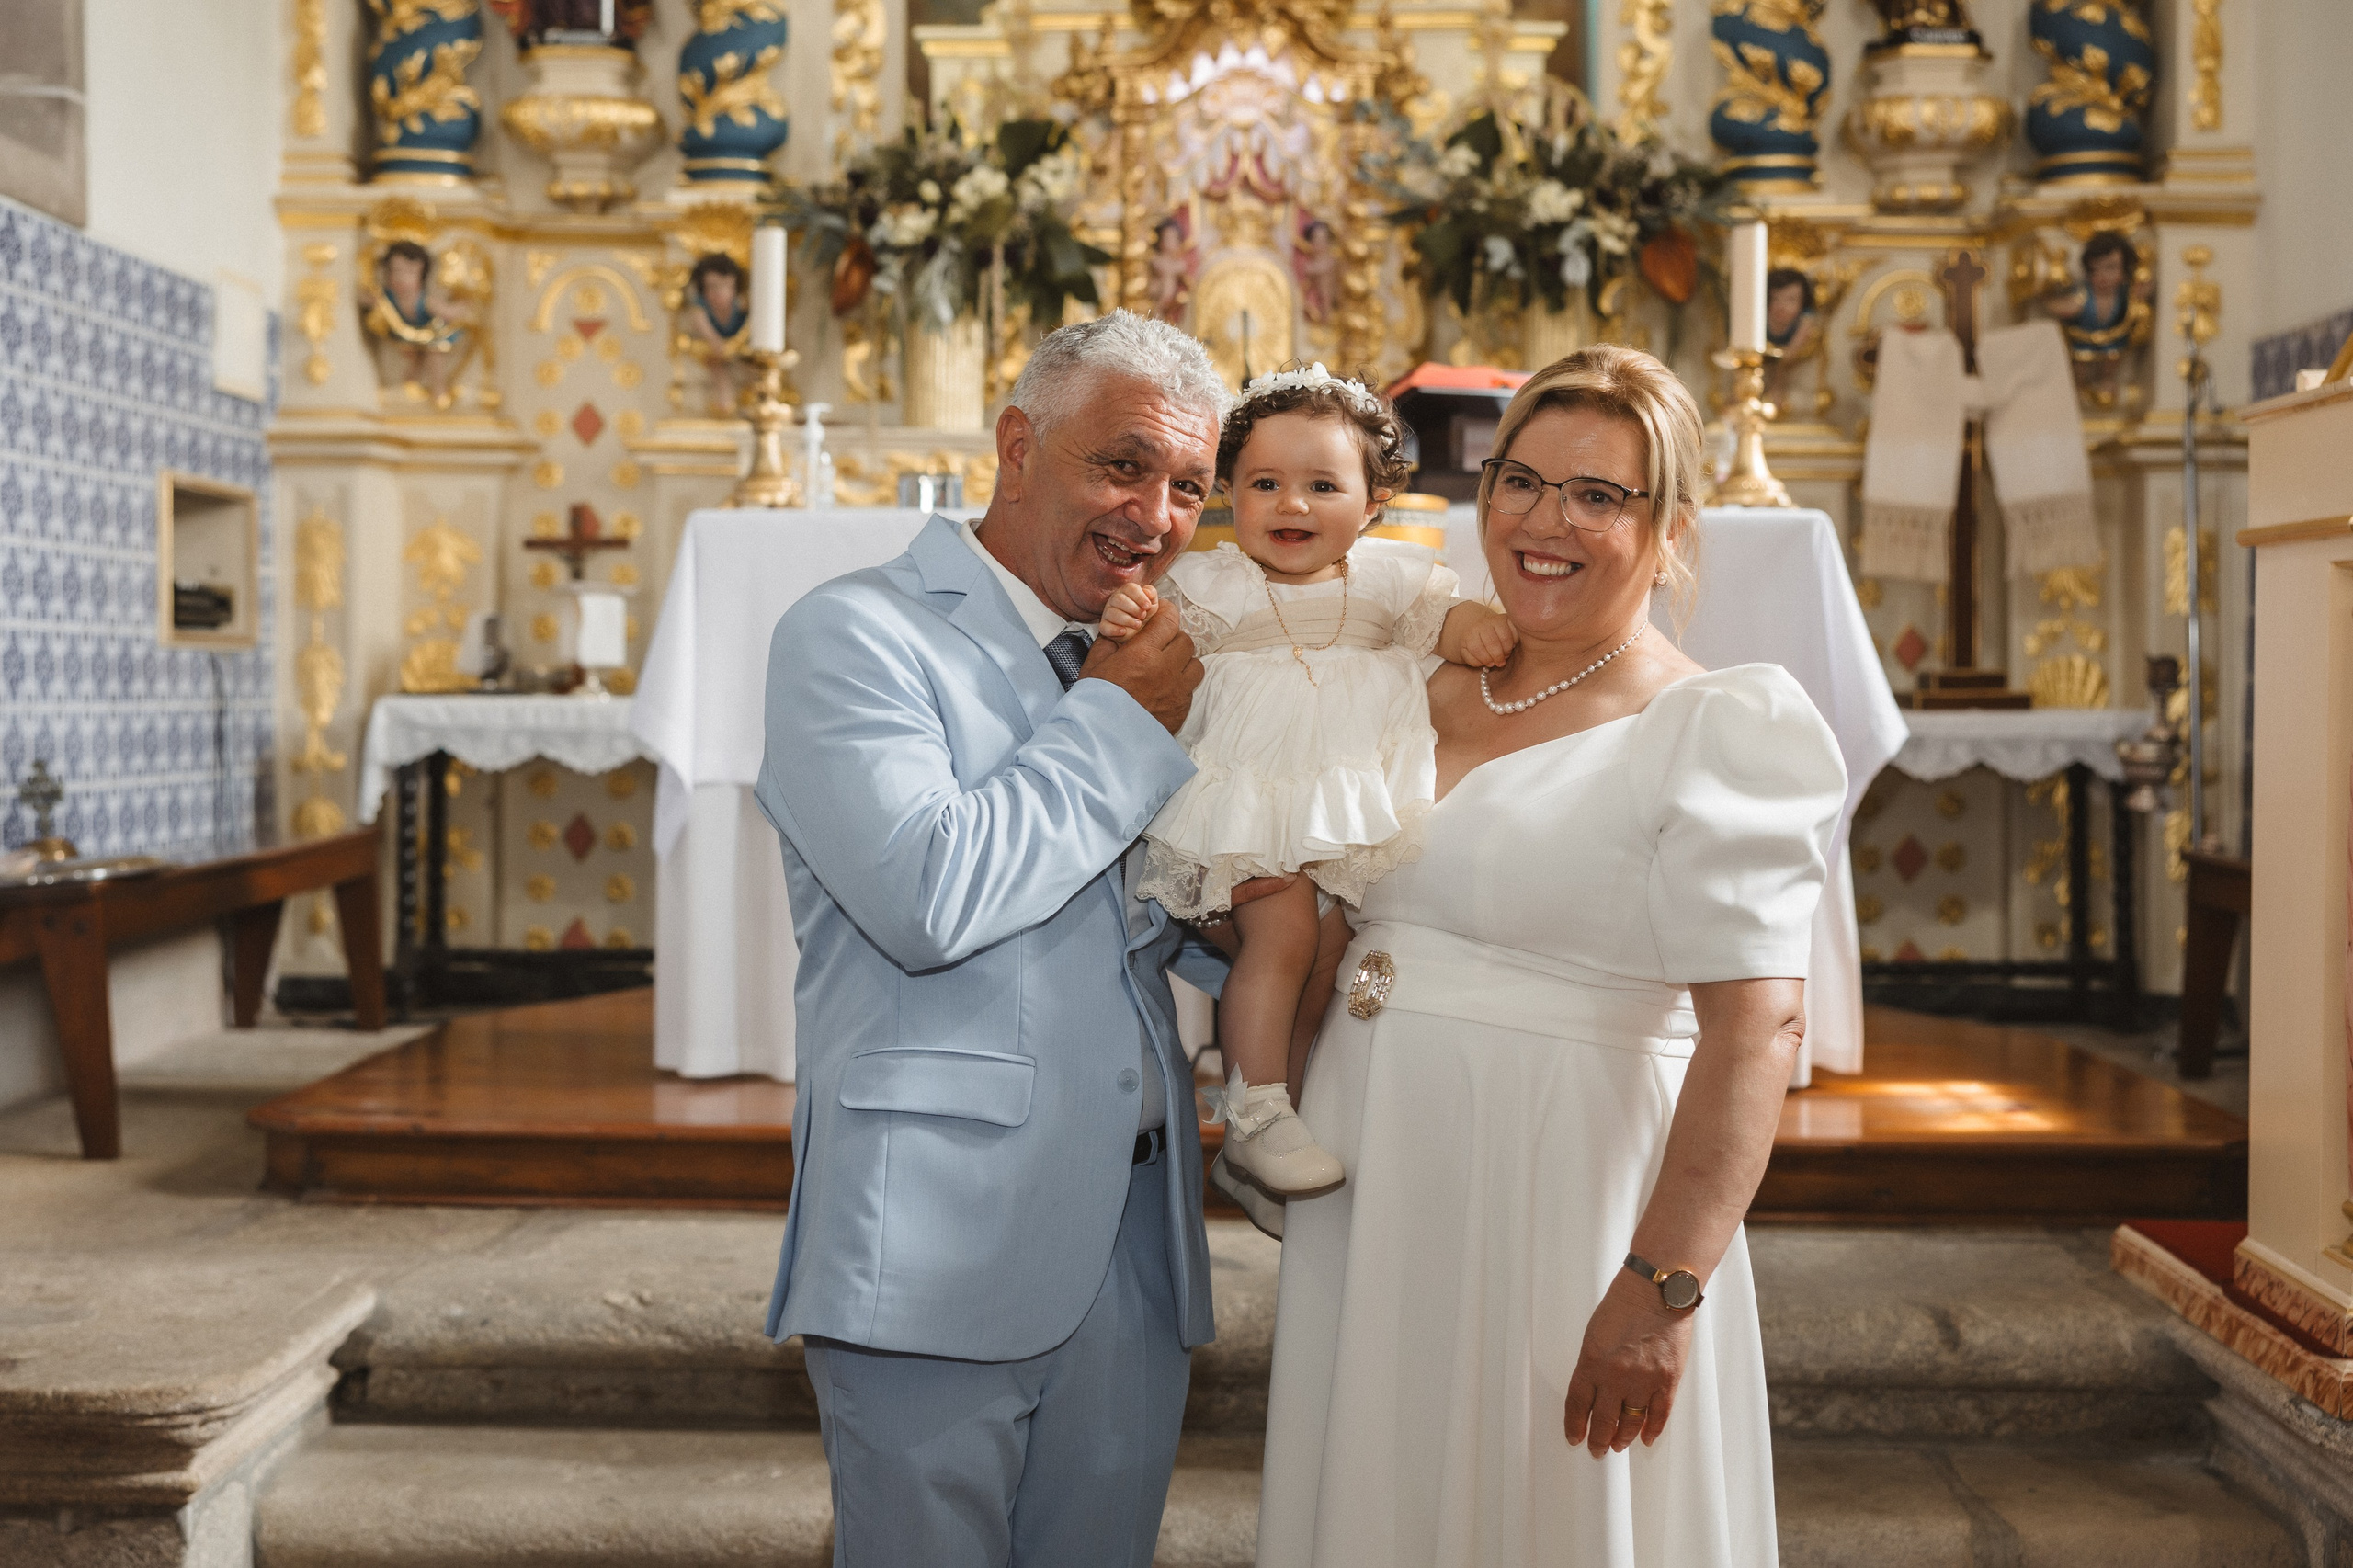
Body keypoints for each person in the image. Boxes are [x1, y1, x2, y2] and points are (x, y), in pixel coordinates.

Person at [1256, 344, 1846, 1567]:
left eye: (1598, 495)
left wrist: (1662, 1284)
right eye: (1521, 480)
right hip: (1380, 1165)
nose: (1545, 521)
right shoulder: (1411, 675)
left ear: (1673, 526)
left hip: (1567, 1184)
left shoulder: (1711, 724)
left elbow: (1758, 1027)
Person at [756, 311, 1251, 1567]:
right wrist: (1121, 723)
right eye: (1123, 464)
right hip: (936, 1231)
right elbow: (932, 895)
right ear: (1019, 445)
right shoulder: (858, 634)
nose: (1157, 513)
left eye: (1190, 485)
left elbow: (1162, 931)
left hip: (1133, 1242)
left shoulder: (1142, 660)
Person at [1100, 365, 1515, 1207]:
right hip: (1249, 803)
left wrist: (1484, 632)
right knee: (1283, 937)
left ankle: (1271, 1127)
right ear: (1229, 494)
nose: (1291, 505)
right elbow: (1152, 633)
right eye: (1265, 484)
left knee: (1328, 958)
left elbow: (1449, 622)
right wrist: (1131, 617)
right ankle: (1252, 1113)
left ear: (1372, 504)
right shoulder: (1216, 584)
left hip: (1337, 807)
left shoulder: (1391, 580)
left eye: (1321, 485)